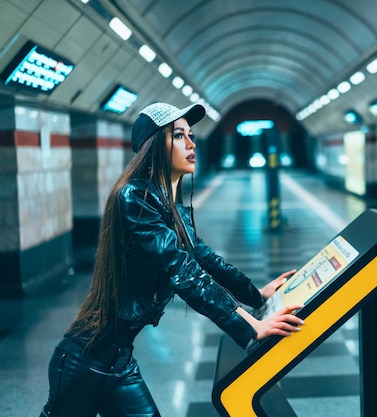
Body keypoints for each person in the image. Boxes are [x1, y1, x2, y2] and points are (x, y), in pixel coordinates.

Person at [39, 102, 304, 417]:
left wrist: (255, 295)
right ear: (153, 146)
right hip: (85, 361)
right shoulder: (134, 197)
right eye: (179, 136)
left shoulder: (171, 207)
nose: (192, 144)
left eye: (190, 136)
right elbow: (184, 273)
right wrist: (249, 329)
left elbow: (205, 259)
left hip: (120, 364)